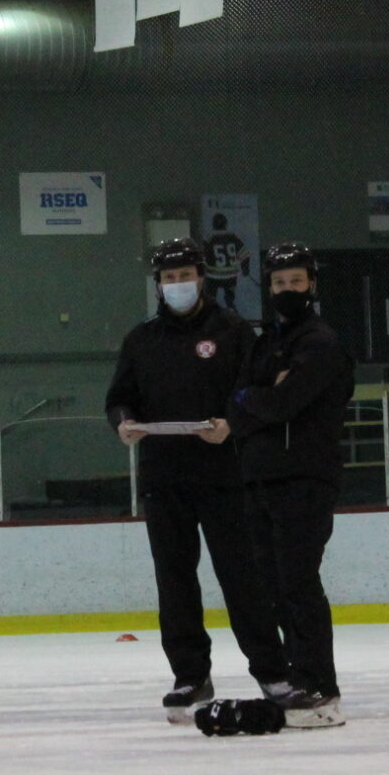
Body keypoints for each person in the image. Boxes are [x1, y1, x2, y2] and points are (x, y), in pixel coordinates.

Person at [106, 238, 290, 722]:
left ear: (201, 278)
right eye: (169, 278)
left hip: (224, 476)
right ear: (159, 284)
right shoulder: (141, 339)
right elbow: (119, 398)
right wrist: (124, 422)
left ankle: (271, 669)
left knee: (242, 576)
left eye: (185, 275)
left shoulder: (232, 332)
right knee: (175, 580)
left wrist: (231, 422)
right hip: (164, 479)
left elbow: (253, 390)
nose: (178, 285)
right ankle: (190, 674)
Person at [231, 244, 355, 730]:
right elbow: (240, 404)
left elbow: (284, 404)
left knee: (299, 583)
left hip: (305, 479)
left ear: (312, 285)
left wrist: (259, 398)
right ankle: (297, 677)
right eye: (280, 283)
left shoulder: (320, 343)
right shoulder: (267, 343)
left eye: (296, 282)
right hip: (261, 476)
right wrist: (258, 395)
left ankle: (320, 682)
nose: (287, 291)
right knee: (274, 585)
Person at [201, 213, 246, 313]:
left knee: (209, 300)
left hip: (213, 275)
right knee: (230, 300)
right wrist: (245, 268)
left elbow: (202, 256)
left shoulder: (209, 237)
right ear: (226, 224)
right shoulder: (232, 237)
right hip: (230, 276)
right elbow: (244, 253)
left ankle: (210, 316)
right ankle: (233, 316)